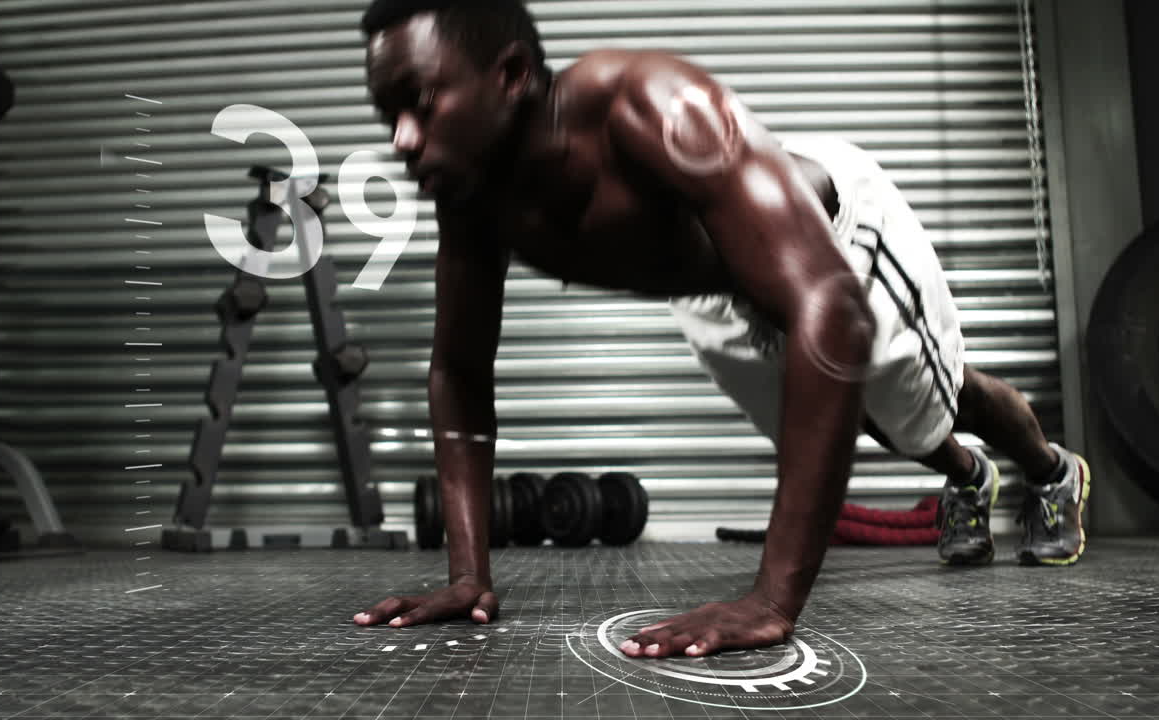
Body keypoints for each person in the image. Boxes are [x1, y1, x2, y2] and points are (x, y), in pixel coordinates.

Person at [351, 0, 1091, 658]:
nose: (404, 141)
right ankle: (968, 475)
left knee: (926, 397)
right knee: (857, 418)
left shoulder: (652, 105)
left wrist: (771, 602)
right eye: (389, 117)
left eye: (421, 103)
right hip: (717, 285)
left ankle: (1051, 468)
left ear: (510, 75)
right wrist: (468, 576)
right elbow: (459, 372)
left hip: (832, 237)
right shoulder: (472, 193)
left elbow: (830, 308)